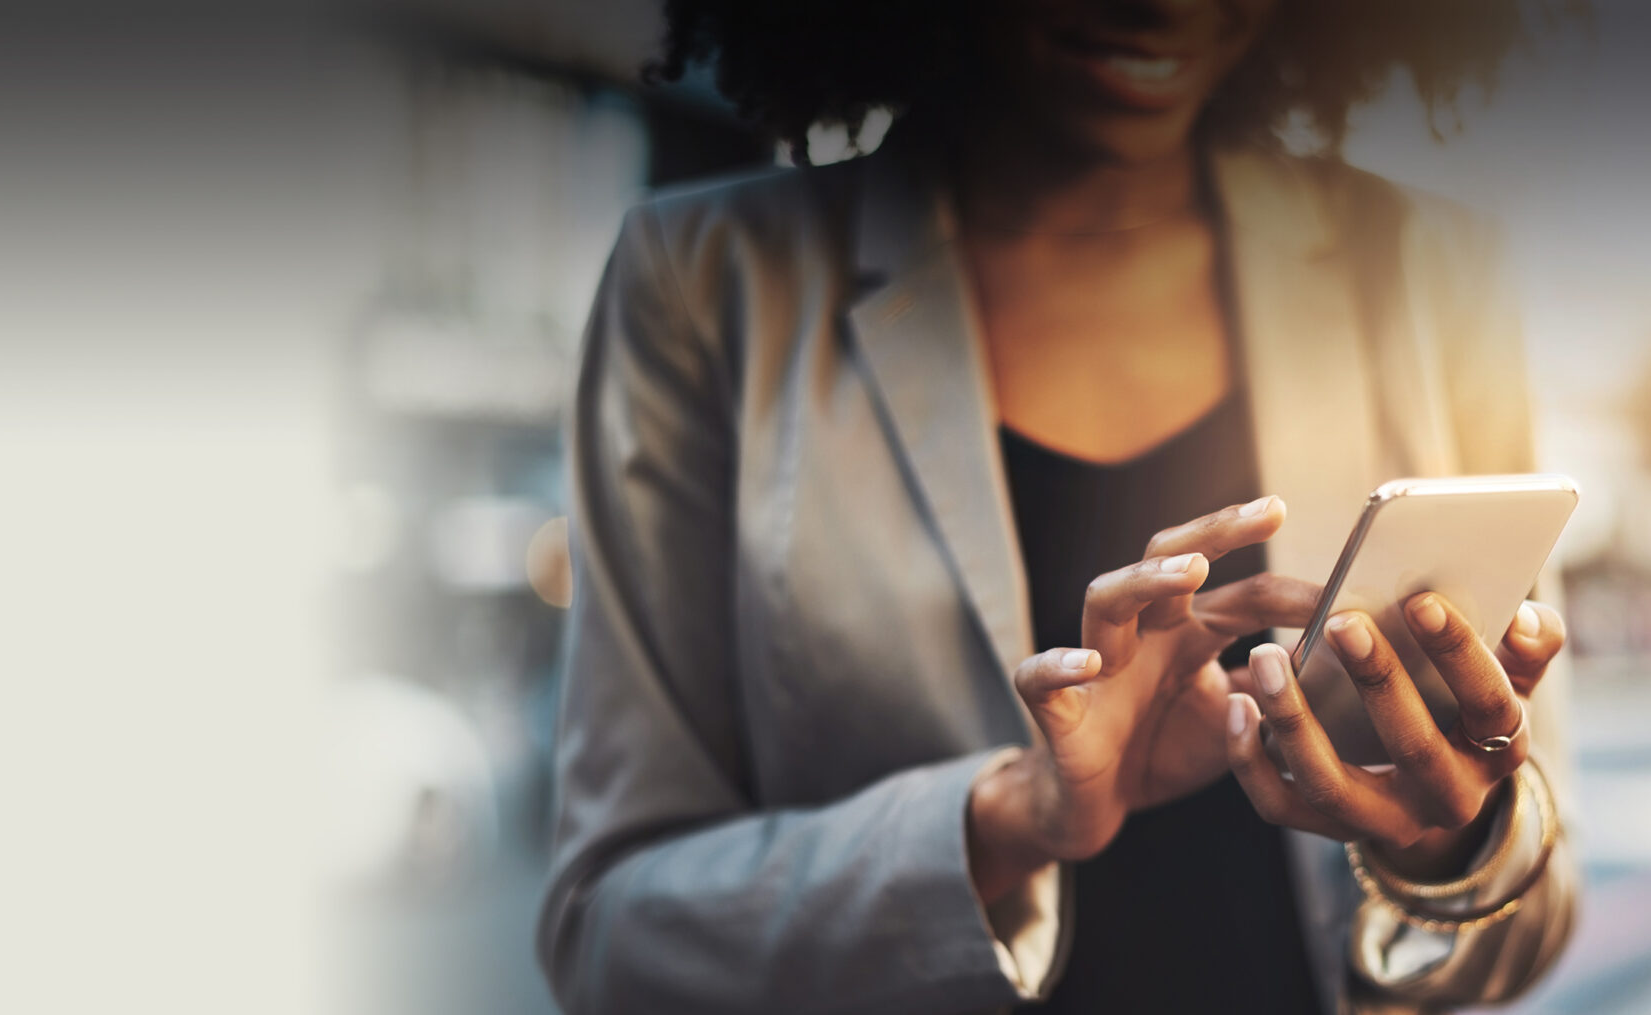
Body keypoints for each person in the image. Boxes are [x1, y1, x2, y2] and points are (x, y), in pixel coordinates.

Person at [536, 1, 1581, 1011]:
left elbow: (1532, 916)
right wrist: (1009, 818)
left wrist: (1442, 844)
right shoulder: (705, 283)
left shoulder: (1429, 272)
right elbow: (609, 937)